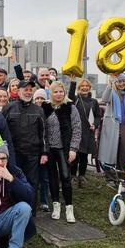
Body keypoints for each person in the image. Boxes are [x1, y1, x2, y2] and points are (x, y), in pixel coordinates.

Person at [2, 79, 48, 215]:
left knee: (32, 182)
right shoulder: (8, 108)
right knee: (12, 181)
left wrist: (45, 153)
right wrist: (1, 151)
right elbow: (0, 131)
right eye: (25, 89)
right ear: (18, 91)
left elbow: (44, 133)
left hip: (33, 154)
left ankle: (30, 212)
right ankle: (12, 210)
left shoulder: (39, 110)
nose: (28, 92)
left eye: (30, 90)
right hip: (13, 153)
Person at [41, 81, 81, 223]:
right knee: (52, 178)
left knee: (65, 177)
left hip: (64, 148)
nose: (58, 94)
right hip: (50, 148)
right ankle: (56, 206)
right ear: (51, 93)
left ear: (64, 92)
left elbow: (77, 129)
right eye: (55, 92)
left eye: (61, 91)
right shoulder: (45, 107)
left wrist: (73, 149)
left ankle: (69, 208)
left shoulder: (70, 107)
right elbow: (41, 129)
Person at [98, 74, 125, 186]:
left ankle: (122, 177)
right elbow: (104, 99)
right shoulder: (111, 92)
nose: (121, 84)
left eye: (123, 81)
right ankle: (110, 177)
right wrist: (110, 84)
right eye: (118, 82)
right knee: (110, 153)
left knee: (124, 153)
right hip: (112, 126)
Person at [69, 78, 102, 187]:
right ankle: (73, 176)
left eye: (87, 86)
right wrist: (72, 83)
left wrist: (95, 124)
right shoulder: (75, 99)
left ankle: (82, 176)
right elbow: (69, 97)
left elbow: (98, 115)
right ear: (79, 88)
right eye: (82, 86)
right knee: (75, 155)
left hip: (88, 132)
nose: (85, 87)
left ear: (89, 88)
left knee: (84, 156)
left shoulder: (94, 101)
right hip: (76, 131)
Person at [33, 88, 50, 211]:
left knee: (44, 177)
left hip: (45, 148)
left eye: (42, 98)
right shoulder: (32, 111)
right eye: (37, 98)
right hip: (33, 148)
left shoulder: (49, 112)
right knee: (33, 176)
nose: (39, 101)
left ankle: (44, 200)